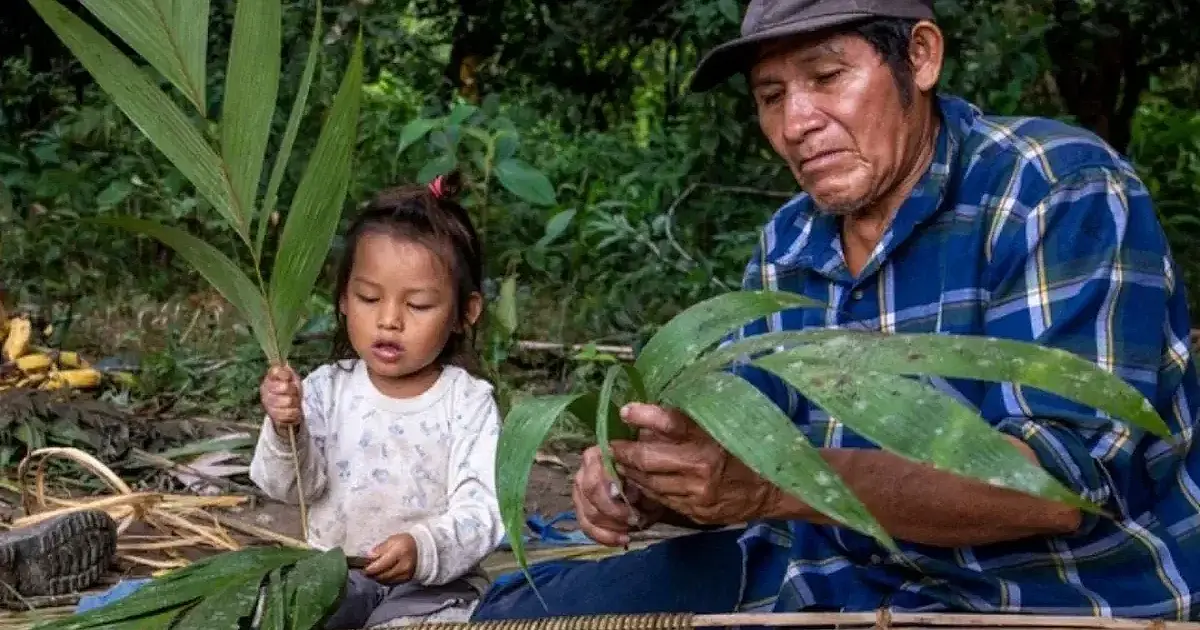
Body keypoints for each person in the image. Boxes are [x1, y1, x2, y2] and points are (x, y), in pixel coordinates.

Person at [472, 0, 1200, 621]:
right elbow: (744, 455)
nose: (796, 123)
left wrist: (773, 484)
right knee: (509, 613)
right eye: (769, 96)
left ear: (919, 56)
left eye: (826, 77)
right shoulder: (788, 241)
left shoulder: (1051, 188)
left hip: (1039, 598)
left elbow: (1057, 488)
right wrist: (653, 480)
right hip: (827, 572)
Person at [249, 173, 505, 629]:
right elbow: (290, 489)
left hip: (435, 590)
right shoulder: (326, 388)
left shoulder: (468, 403)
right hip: (335, 577)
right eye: (369, 297)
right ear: (344, 299)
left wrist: (423, 546)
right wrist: (286, 426)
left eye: (419, 305)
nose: (389, 320)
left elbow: (485, 510)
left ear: (466, 314)